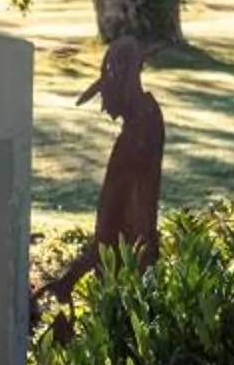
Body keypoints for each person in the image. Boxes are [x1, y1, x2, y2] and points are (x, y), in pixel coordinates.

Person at [39, 39, 164, 314]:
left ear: (122, 84)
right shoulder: (144, 121)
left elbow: (117, 221)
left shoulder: (139, 133)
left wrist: (72, 277)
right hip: (126, 261)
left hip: (127, 268)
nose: (104, 107)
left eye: (105, 95)